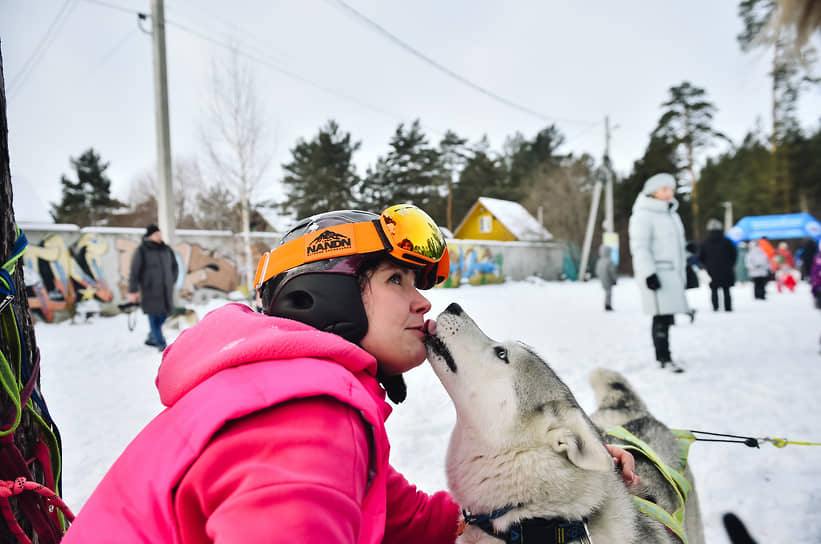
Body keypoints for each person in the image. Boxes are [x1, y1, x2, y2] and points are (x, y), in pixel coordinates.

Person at [64, 204, 638, 542]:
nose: (422, 304)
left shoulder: (294, 390)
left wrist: (547, 492)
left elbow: (400, 518)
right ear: (324, 294)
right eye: (397, 282)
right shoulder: (304, 422)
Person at [628, 173, 691, 373]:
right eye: (664, 189)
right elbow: (640, 247)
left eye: (670, 189)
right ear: (653, 192)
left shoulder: (672, 214)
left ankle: (666, 355)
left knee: (668, 317)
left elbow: (674, 247)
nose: (668, 193)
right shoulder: (643, 215)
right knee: (660, 318)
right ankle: (663, 358)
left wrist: (689, 252)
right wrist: (648, 273)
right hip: (658, 274)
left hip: (673, 274)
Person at [127, 224, 178, 351]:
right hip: (150, 290)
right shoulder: (142, 250)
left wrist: (172, 280)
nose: (159, 236)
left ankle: (151, 338)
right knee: (154, 317)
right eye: (156, 234)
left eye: (160, 234)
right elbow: (135, 271)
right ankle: (161, 344)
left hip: (166, 290)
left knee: (165, 315)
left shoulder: (166, 249)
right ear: (149, 236)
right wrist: (133, 291)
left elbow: (175, 266)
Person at [698, 218, 737, 312]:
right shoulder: (727, 242)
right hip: (726, 269)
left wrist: (705, 265)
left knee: (714, 290)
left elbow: (700, 256)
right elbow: (734, 254)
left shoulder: (705, 243)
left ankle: (715, 307)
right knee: (726, 289)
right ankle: (728, 307)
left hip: (712, 270)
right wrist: (730, 264)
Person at [595, 244, 617, 310]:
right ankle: (608, 305)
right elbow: (612, 272)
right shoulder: (609, 261)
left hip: (603, 279)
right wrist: (614, 279)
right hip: (608, 280)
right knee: (608, 292)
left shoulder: (600, 261)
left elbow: (597, 271)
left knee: (607, 292)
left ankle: (607, 304)